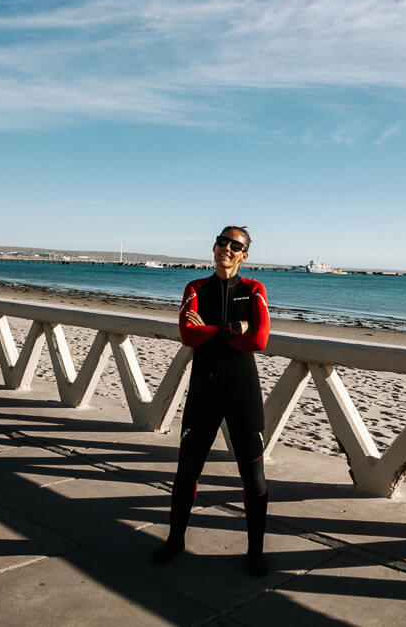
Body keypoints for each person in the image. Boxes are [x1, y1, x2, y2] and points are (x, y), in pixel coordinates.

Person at [153, 225, 272, 576]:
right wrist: (235, 329)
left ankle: (255, 551)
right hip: (204, 391)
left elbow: (261, 340)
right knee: (187, 468)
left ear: (244, 255)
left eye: (236, 245)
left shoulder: (254, 289)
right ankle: (175, 540)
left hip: (242, 390)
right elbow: (188, 334)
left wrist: (213, 331)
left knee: (253, 475)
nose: (227, 248)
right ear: (214, 246)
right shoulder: (195, 288)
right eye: (223, 241)